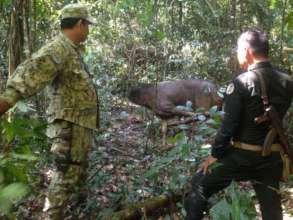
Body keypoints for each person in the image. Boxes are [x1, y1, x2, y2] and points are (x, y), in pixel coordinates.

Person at [0, 3, 99, 219]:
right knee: (64, 177)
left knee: (76, 171)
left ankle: (80, 208)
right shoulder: (58, 49)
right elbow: (29, 75)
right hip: (68, 128)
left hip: (79, 126)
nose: (89, 31)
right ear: (80, 24)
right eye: (88, 25)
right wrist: (6, 102)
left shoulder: (71, 50)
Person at [184, 29, 293, 220]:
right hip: (272, 157)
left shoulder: (242, 82)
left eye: (237, 50)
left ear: (246, 51)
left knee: (198, 185)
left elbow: (229, 126)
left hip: (242, 157)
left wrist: (214, 155)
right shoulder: (287, 81)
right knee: (272, 211)